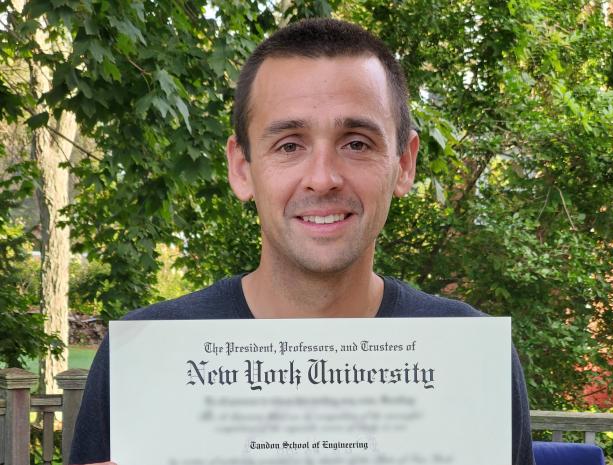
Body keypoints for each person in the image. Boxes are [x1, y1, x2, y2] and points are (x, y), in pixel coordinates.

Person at [69, 18, 535, 465]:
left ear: (404, 164)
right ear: (242, 169)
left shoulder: (472, 365)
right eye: (289, 145)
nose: (323, 178)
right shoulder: (143, 361)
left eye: (356, 143)